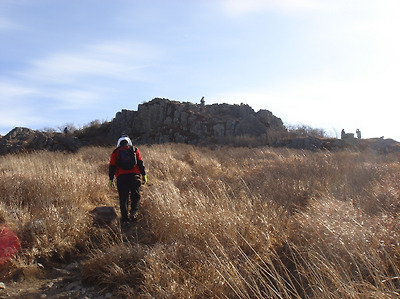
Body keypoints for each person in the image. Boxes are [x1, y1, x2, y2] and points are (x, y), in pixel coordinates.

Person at [109, 135, 147, 223]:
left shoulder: (115, 152)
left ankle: (125, 218)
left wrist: (111, 179)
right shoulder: (135, 149)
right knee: (135, 195)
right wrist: (144, 175)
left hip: (121, 177)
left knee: (123, 198)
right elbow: (141, 163)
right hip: (135, 176)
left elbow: (112, 166)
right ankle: (133, 213)